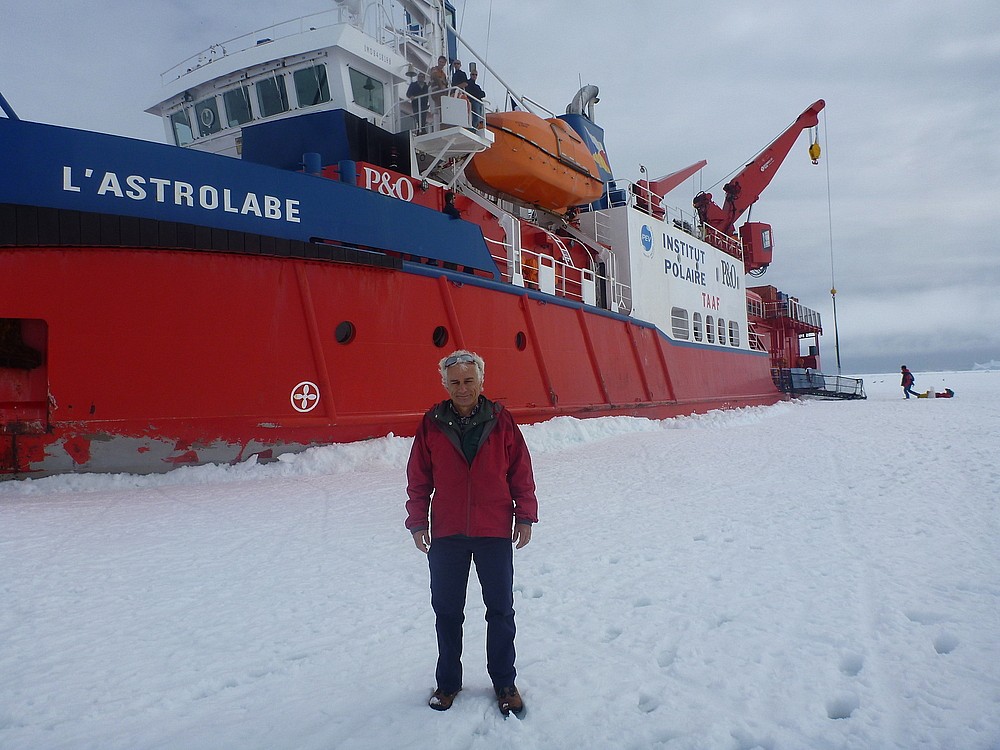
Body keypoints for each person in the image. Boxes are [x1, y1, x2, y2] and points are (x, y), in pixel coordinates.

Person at [405, 350, 538, 717]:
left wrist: (524, 515)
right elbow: (418, 478)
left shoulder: (502, 421)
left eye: (468, 380)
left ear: (481, 381)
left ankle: (505, 683)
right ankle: (447, 683)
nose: (462, 389)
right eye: (455, 382)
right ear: (444, 384)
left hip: (493, 530)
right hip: (447, 533)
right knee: (447, 611)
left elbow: (520, 472)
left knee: (500, 610)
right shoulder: (431, 423)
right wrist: (418, 521)